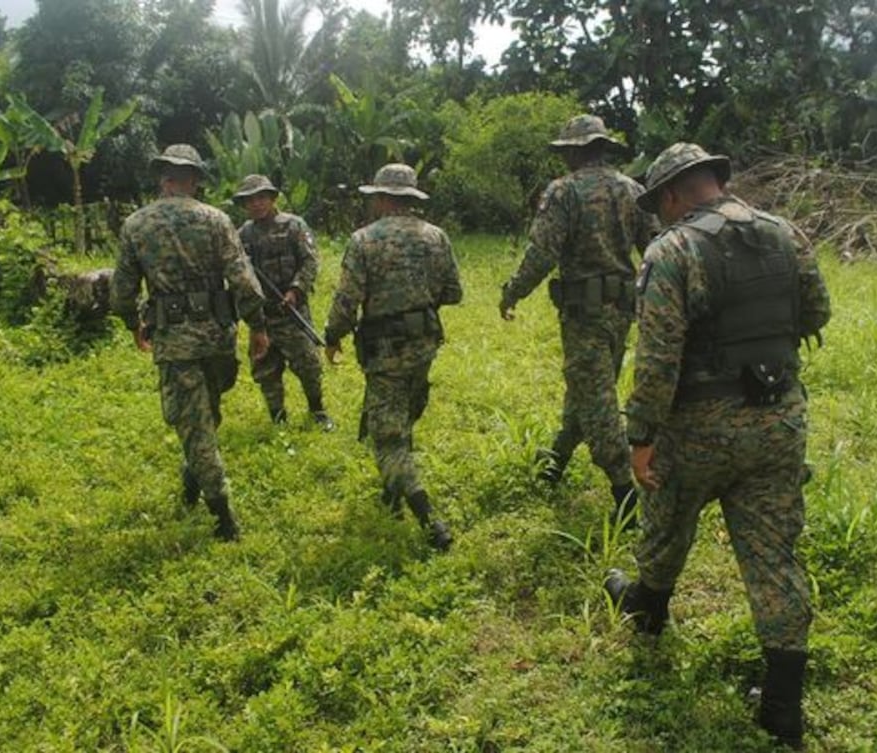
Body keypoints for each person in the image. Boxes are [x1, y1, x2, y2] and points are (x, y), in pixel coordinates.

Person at [604, 143, 831, 749]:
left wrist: (642, 435)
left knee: (665, 518)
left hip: (700, 424)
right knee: (774, 556)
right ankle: (783, 708)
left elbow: (656, 358)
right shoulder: (786, 235)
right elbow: (817, 311)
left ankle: (647, 611)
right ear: (714, 182)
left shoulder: (673, 250)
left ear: (674, 194)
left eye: (658, 204)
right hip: (778, 418)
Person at [499, 114, 659, 529]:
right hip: (622, 310)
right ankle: (556, 461)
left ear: (572, 151)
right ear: (602, 147)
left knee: (598, 397)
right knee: (588, 386)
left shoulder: (564, 191)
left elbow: (542, 252)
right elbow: (657, 249)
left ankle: (624, 494)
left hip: (584, 312)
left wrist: (513, 290)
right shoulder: (633, 190)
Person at [110, 144, 270, 542]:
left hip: (175, 341)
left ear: (164, 180)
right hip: (218, 337)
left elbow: (121, 292)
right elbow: (243, 279)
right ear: (194, 181)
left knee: (198, 426)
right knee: (205, 417)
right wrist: (258, 326)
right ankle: (192, 483)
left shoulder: (136, 225)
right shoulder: (216, 219)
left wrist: (133, 324)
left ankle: (224, 520)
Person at [322, 163, 462, 551]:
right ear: (410, 199)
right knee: (401, 418)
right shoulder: (436, 237)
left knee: (388, 440)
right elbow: (454, 292)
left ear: (382, 198)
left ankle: (429, 518)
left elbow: (347, 299)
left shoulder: (365, 240)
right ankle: (391, 493)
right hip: (423, 345)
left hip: (384, 350)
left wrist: (332, 336)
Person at [232, 174, 334, 431]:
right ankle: (278, 418)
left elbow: (310, 261)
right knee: (266, 370)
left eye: (261, 198)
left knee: (309, 366)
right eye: (250, 200)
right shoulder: (242, 235)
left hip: (292, 313)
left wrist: (295, 290)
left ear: (272, 198)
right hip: (262, 318)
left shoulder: (294, 226)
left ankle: (317, 410)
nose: (256, 204)